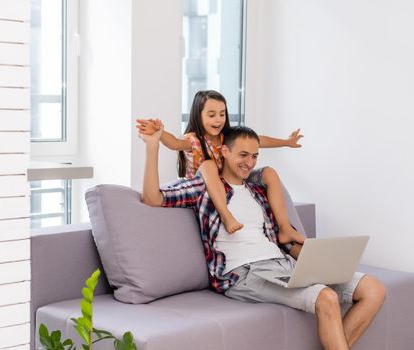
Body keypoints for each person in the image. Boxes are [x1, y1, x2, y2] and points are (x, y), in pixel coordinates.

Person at [139, 125, 386, 350]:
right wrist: (152, 148)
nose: (249, 162)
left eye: (255, 156)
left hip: (281, 264)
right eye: (243, 155)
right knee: (326, 298)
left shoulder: (257, 191)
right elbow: (154, 198)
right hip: (243, 273)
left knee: (373, 289)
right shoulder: (206, 187)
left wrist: (310, 256)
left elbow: (278, 239)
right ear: (224, 151)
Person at [136, 90, 304, 246]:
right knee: (209, 165)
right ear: (198, 115)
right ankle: (226, 215)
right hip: (205, 182)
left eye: (222, 114)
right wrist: (159, 132)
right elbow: (174, 143)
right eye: (211, 115)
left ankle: (285, 228)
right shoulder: (193, 140)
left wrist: (286, 142)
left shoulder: (226, 138)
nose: (218, 120)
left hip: (229, 179)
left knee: (269, 173)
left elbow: (259, 140)